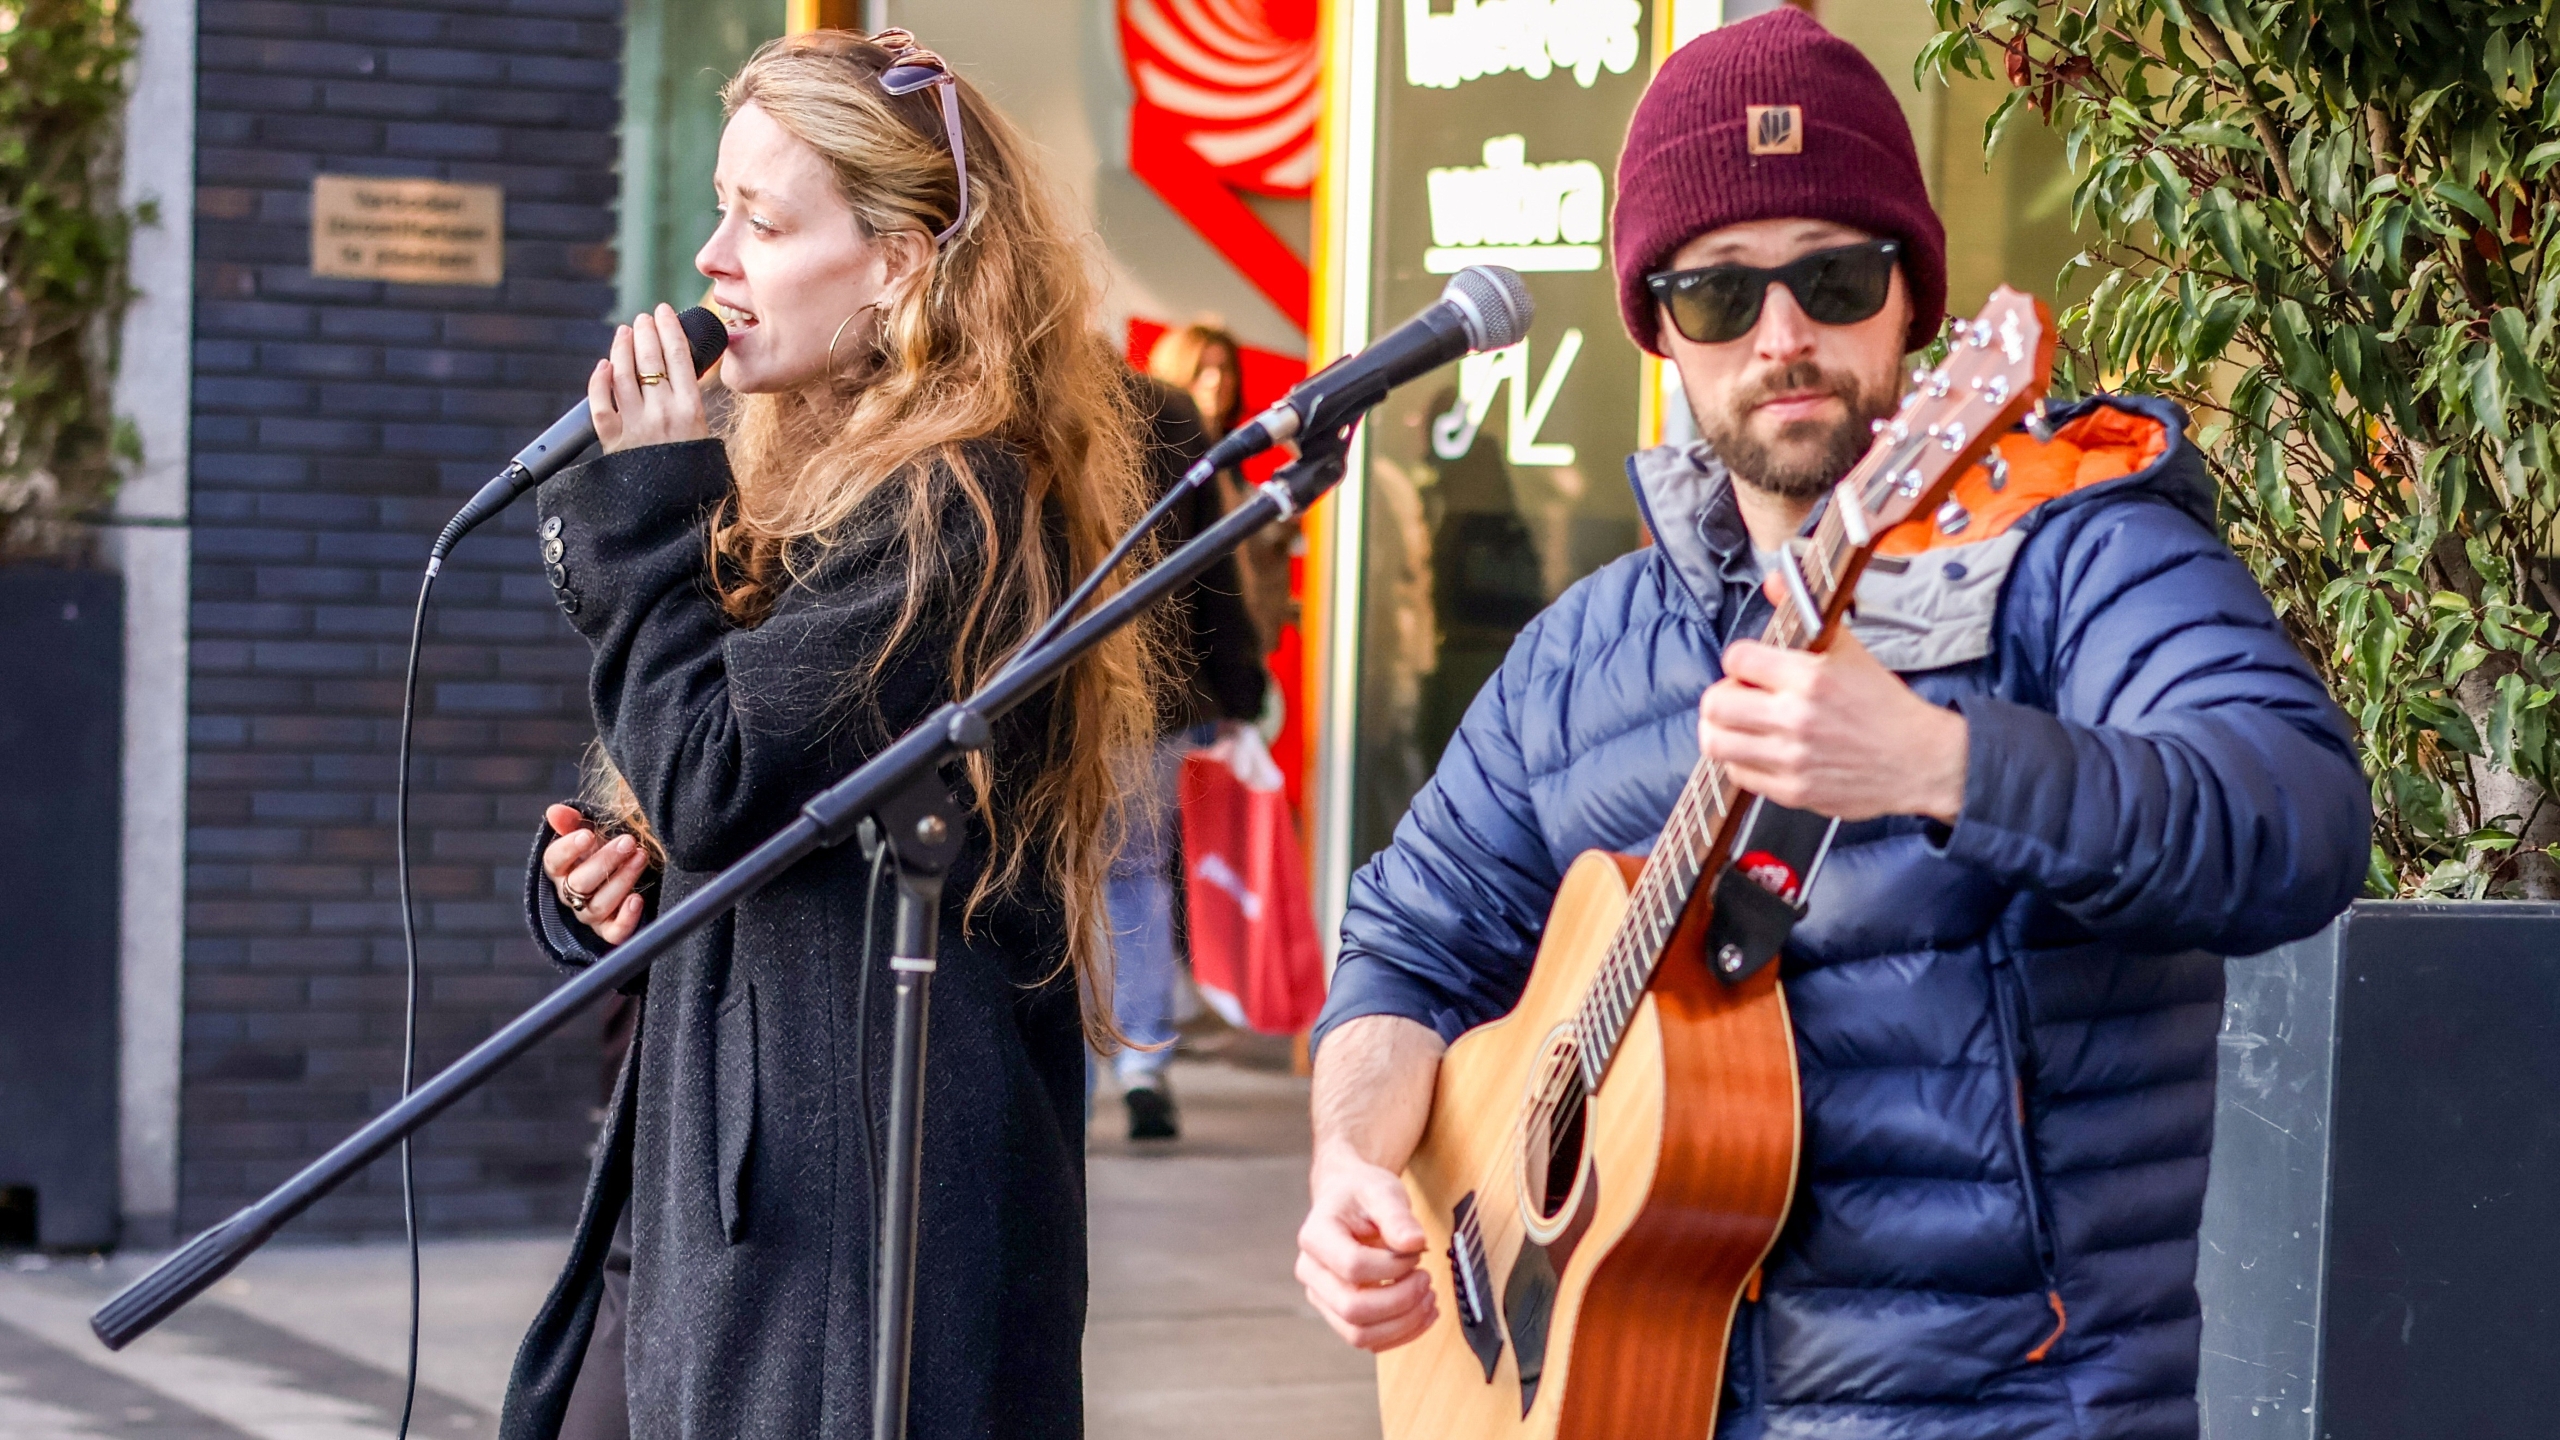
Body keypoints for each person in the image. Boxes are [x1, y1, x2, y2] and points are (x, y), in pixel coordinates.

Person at [1293, 11, 2371, 1439]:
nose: (1784, 337)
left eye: (1833, 276)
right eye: (1720, 296)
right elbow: (1409, 949)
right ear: (1657, 327)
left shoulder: (2074, 551)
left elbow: (2296, 816)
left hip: (2016, 1408)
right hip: (1623, 1396)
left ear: (1915, 302)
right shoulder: (1581, 654)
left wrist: (1940, 764)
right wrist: (1352, 1167)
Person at [501, 29, 1157, 1440]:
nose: (713, 260)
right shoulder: (784, 456)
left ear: (902, 264)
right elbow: (679, 779)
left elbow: (720, 773)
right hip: (719, 1170)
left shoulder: (960, 508)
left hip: (853, 1201)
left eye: (767, 220)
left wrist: (643, 509)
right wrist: (604, 876)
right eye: (720, 207)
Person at [1103, 376, 1268, 1139]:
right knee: (1135, 877)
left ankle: (1064, 1083)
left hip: (1045, 696)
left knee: (1052, 886)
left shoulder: (1009, 395)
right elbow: (1214, 570)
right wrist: (1238, 685)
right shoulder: (1163, 411)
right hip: (1147, 694)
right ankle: (1142, 1064)